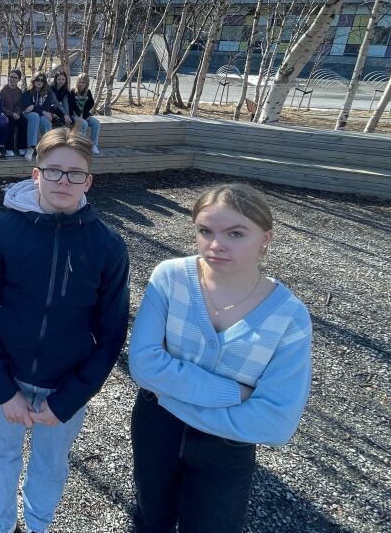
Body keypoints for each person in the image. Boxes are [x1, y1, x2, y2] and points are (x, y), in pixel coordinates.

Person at [128, 184, 312, 533]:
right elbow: (143, 364)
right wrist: (234, 393)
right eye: (205, 231)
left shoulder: (290, 316)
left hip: (224, 446)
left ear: (265, 238)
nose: (216, 244)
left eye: (235, 233)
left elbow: (275, 422)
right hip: (157, 430)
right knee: (150, 519)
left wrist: (169, 392)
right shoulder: (170, 277)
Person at [0, 128, 130, 533]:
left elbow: (112, 333)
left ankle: (39, 524)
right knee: (3, 456)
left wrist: (70, 398)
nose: (64, 181)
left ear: (89, 181)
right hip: (8, 379)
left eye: (75, 173)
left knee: (50, 464)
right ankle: (1, 525)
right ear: (35, 174)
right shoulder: (3, 231)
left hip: (66, 386)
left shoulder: (107, 246)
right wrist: (5, 389)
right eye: (54, 171)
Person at [20, 73, 60, 161]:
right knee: (35, 116)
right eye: (37, 80)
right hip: (27, 114)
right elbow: (27, 107)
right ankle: (31, 147)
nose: (39, 82)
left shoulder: (48, 93)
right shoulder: (27, 91)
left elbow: (46, 107)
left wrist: (35, 107)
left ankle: (48, 147)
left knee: (45, 120)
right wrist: (41, 110)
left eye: (42, 80)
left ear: (44, 82)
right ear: (34, 80)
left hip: (40, 114)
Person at [0, 69, 27, 156]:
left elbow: (19, 104)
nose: (12, 79)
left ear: (19, 79)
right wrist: (12, 114)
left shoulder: (19, 91)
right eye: (11, 77)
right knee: (11, 122)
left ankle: (21, 147)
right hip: (6, 114)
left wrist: (18, 113)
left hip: (15, 114)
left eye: (15, 77)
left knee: (24, 121)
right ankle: (9, 148)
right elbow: (0, 106)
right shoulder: (3, 90)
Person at [72, 74, 101, 155]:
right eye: (79, 82)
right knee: (83, 124)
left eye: (83, 82)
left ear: (87, 83)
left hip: (84, 115)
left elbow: (90, 104)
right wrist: (79, 115)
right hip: (74, 115)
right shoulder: (73, 91)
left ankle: (93, 145)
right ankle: (82, 146)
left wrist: (85, 115)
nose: (81, 84)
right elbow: (72, 106)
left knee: (96, 123)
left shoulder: (88, 92)